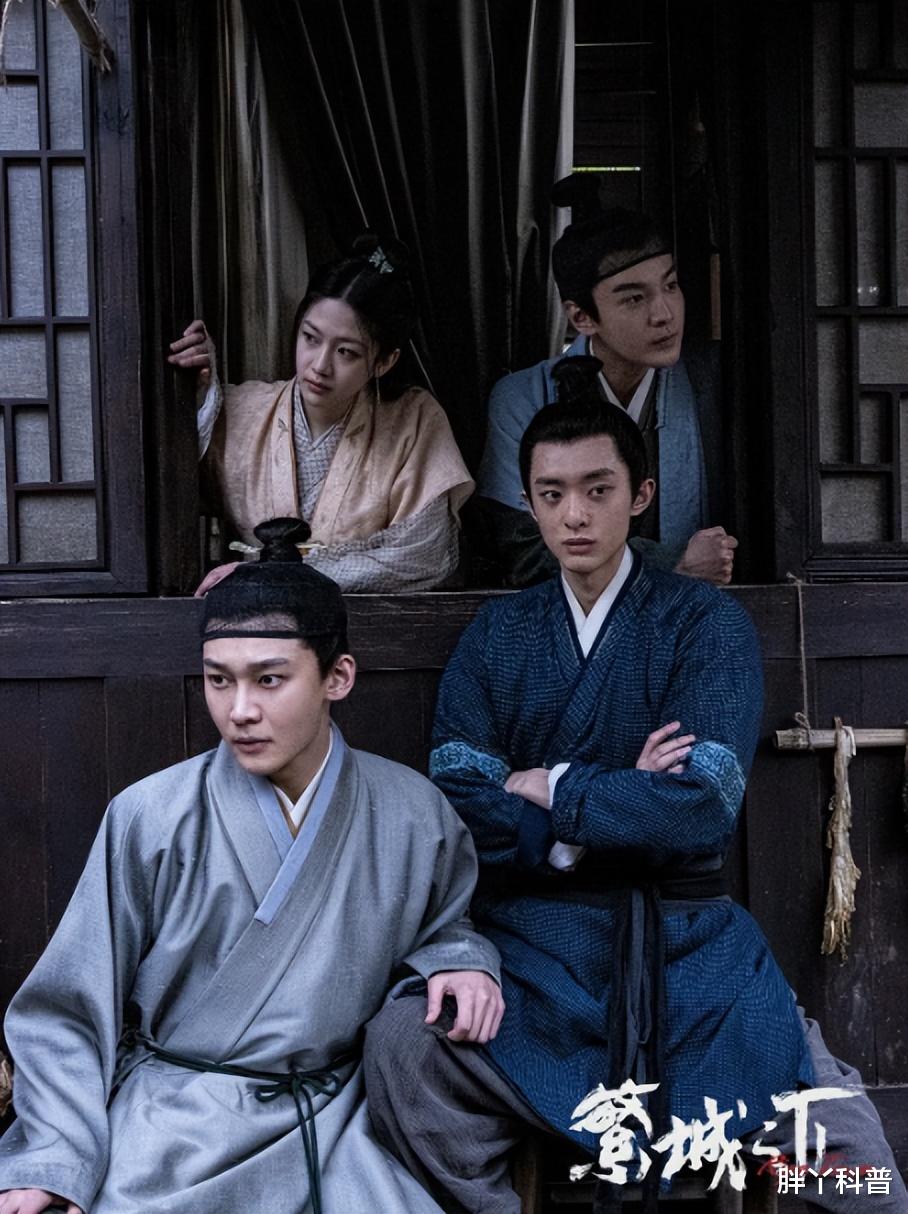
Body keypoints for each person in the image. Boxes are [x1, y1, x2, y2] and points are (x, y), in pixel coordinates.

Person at [364, 359, 906, 1213]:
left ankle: (745, 1166)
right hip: (533, 946)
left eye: (598, 489)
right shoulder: (498, 635)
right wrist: (609, 806)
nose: (574, 515)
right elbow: (460, 801)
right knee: (405, 1046)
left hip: (690, 945)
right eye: (551, 495)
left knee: (855, 1166)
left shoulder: (705, 625)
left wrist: (554, 785)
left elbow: (702, 807)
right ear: (528, 502)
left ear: (641, 495)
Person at [0, 518, 503, 1214]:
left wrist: (459, 959)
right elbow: (68, 1010)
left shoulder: (414, 812)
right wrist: (52, 1160)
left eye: (269, 680)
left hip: (336, 1118)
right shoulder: (151, 815)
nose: (239, 711)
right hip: (178, 1119)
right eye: (219, 680)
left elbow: (445, 923)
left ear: (337, 677)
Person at [168, 234, 474, 592]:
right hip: (255, 614)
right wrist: (197, 388)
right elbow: (173, 481)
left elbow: (425, 556)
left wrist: (282, 574)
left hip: (368, 617)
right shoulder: (242, 411)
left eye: (346, 352)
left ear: (385, 361)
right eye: (311, 338)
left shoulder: (414, 421)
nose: (320, 366)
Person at [476, 195, 737, 588]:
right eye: (634, 298)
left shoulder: (713, 388)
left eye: (670, 285)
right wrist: (672, 562)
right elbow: (523, 548)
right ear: (582, 317)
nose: (664, 314)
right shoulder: (523, 398)